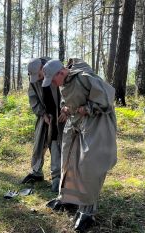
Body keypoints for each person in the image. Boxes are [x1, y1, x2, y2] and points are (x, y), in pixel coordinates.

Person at [42, 58, 117, 232]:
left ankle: (88, 210)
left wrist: (88, 108)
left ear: (60, 73)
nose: (53, 84)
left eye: (53, 79)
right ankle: (68, 198)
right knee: (67, 160)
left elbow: (107, 99)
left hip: (95, 124)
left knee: (88, 165)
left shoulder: (85, 77)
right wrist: (66, 108)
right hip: (75, 123)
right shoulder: (64, 81)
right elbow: (70, 97)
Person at [21, 57, 66, 192]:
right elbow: (33, 97)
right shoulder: (34, 77)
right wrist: (42, 114)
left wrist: (67, 109)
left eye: (40, 75)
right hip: (45, 115)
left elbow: (67, 91)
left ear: (43, 68)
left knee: (56, 144)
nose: (38, 79)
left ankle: (58, 178)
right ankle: (36, 172)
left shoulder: (56, 70)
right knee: (39, 143)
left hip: (61, 115)